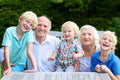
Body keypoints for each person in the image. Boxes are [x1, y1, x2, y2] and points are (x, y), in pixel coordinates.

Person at [1, 11, 38, 76]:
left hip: (20, 64)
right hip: (8, 62)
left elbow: (29, 51)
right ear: (20, 19)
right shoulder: (9, 31)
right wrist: (8, 66)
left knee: (11, 74)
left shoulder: (29, 33)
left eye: (31, 25)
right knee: (7, 73)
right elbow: (6, 50)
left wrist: (35, 68)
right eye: (27, 21)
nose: (28, 25)